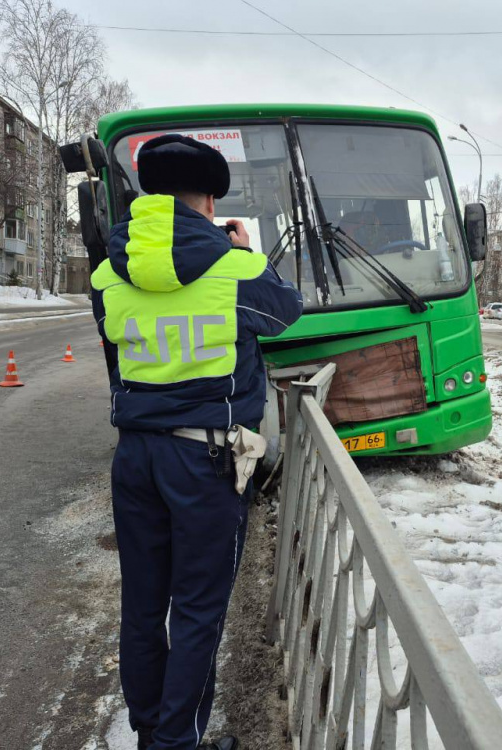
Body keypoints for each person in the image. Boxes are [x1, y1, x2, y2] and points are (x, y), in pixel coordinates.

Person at [90, 134, 303, 750]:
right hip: (205, 459)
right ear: (209, 198)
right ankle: (176, 743)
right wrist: (246, 252)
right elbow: (287, 314)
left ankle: (150, 727)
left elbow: (114, 349)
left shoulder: (110, 269)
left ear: (151, 193)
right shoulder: (233, 265)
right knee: (197, 613)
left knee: (143, 604)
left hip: (135, 456)